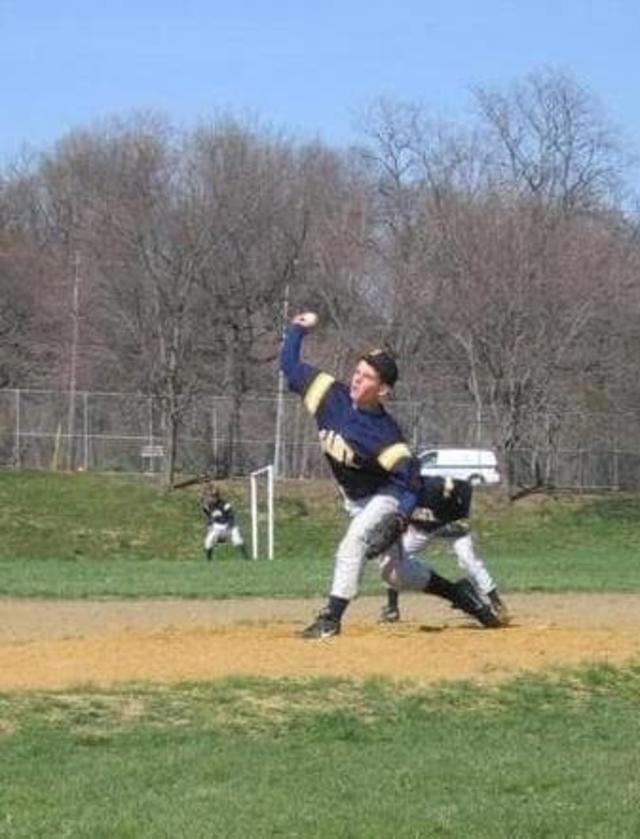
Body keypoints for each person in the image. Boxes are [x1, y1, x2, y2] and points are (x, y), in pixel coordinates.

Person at [280, 311, 499, 639]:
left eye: (367, 377)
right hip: (355, 498)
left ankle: (330, 619)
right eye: (357, 372)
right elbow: (289, 365)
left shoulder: (385, 434)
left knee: (351, 546)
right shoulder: (328, 394)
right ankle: (460, 594)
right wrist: (298, 328)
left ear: (383, 390)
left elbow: (410, 478)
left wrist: (400, 517)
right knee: (395, 574)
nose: (357, 379)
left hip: (386, 495)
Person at [376, 476, 510, 626]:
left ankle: (496, 603)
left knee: (468, 560)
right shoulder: (403, 494)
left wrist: (460, 517)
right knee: (394, 557)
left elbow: (465, 492)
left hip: (451, 526)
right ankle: (392, 607)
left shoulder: (447, 487)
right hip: (423, 529)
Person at [201, 483, 249, 560]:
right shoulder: (207, 506)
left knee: (237, 539)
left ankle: (246, 559)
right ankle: (208, 561)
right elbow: (209, 517)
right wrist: (209, 525)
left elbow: (231, 516)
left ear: (217, 496)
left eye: (212, 497)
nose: (210, 499)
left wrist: (229, 526)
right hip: (217, 526)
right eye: (209, 497)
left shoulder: (224, 504)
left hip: (229, 525)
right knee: (208, 542)